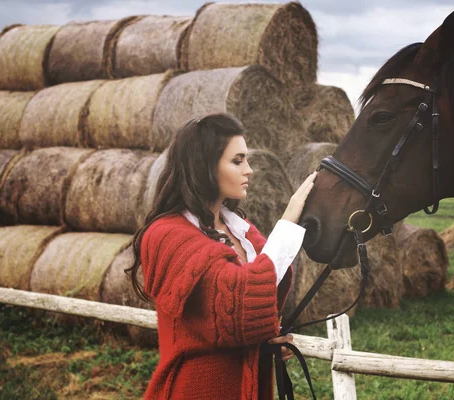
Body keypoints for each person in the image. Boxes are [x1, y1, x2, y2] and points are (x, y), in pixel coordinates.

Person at [126, 113, 317, 399]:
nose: (249, 170)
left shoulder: (243, 231)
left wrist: (266, 338)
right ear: (204, 167)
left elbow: (253, 309)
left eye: (247, 160)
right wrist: (288, 223)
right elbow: (237, 303)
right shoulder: (167, 235)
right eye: (237, 161)